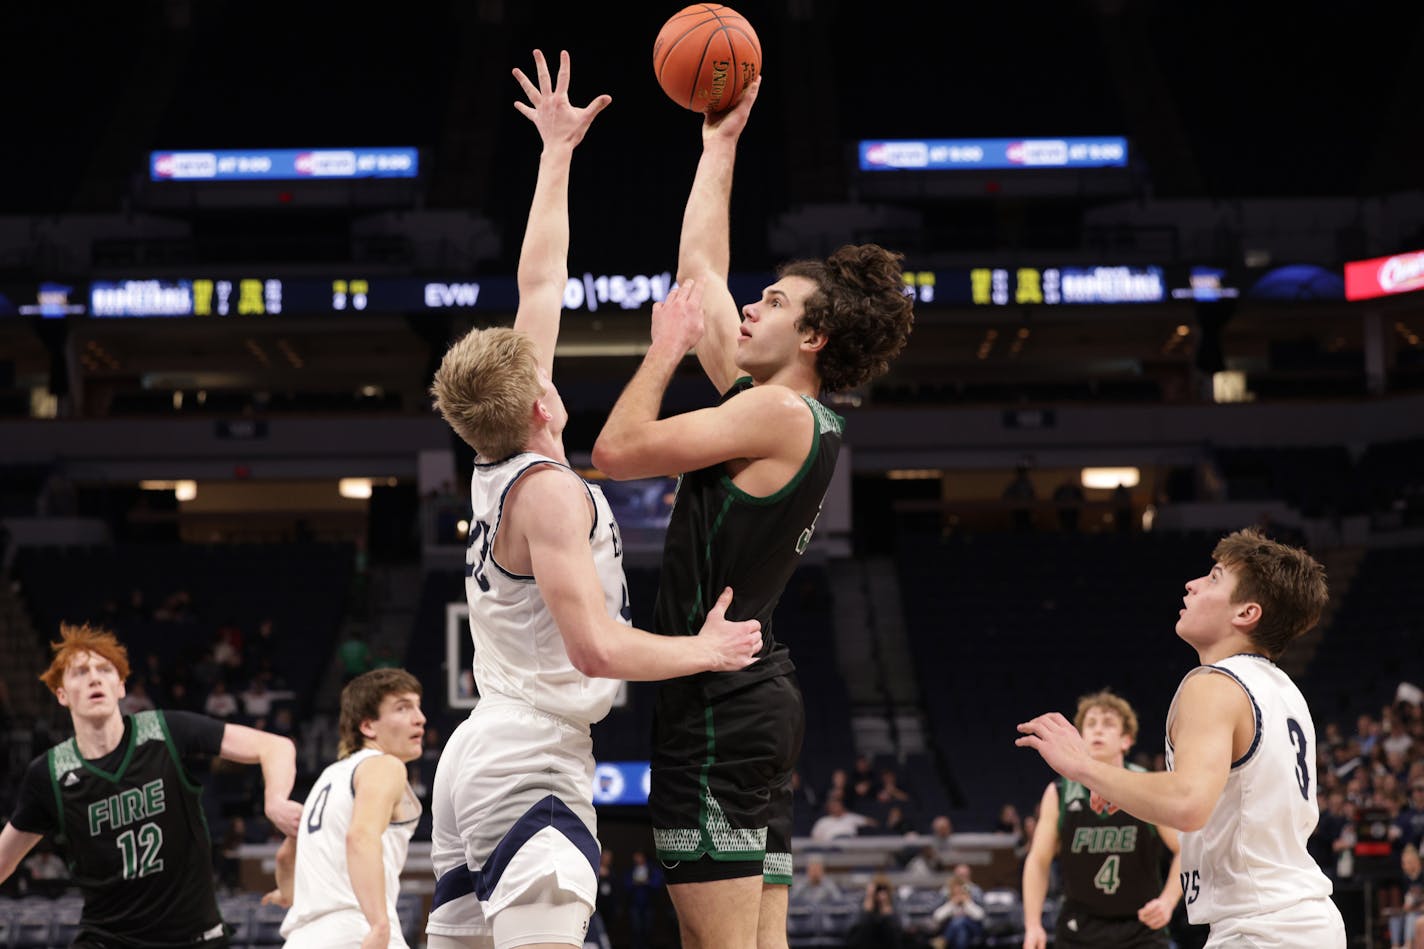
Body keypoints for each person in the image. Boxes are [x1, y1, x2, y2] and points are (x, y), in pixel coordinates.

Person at [423, 50, 762, 949]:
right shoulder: (550, 496)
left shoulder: (493, 452)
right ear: (542, 401)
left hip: (476, 753)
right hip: (531, 754)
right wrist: (705, 649)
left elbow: (541, 282)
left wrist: (558, 151)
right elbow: (597, 646)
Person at [590, 77, 914, 949]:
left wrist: (659, 356)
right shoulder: (792, 413)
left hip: (719, 706)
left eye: (772, 302)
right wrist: (718, 147)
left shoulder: (770, 413)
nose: (750, 304)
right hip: (750, 692)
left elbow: (614, 453)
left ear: (812, 339)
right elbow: (701, 277)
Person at [1017, 527, 1347, 947]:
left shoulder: (1212, 684)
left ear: (1246, 613)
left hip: (1262, 928)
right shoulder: (1284, 690)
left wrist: (1082, 766)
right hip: (1300, 920)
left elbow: (1187, 804)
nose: (1191, 584)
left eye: (1213, 578)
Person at [0, 623, 302, 947]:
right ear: (61, 694)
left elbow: (275, 747)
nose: (94, 678)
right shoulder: (49, 773)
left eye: (104, 669)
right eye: (80, 672)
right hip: (108, 940)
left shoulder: (165, 731)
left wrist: (274, 801)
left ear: (121, 687)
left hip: (193, 938)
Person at [265, 669, 426, 948]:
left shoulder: (328, 777)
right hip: (355, 930)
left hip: (301, 939)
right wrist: (378, 925)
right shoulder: (385, 765)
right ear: (367, 726)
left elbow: (285, 858)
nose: (420, 718)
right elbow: (361, 837)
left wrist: (287, 894)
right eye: (403, 708)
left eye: (418, 706)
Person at [1020, 689, 1182, 949]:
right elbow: (1038, 860)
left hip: (1141, 927)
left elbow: (1185, 850)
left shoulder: (1145, 784)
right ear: (1080, 737)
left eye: (1108, 724)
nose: (1097, 730)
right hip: (1079, 927)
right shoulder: (1059, 792)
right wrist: (1032, 924)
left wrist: (1168, 901)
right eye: (1090, 724)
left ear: (1126, 740)